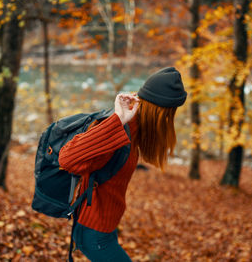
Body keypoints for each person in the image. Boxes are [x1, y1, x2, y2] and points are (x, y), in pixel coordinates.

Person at [58, 67, 187, 262]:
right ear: (158, 112)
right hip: (94, 231)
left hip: (106, 227)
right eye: (169, 113)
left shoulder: (136, 128)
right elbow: (67, 158)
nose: (170, 120)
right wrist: (117, 119)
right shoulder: (119, 129)